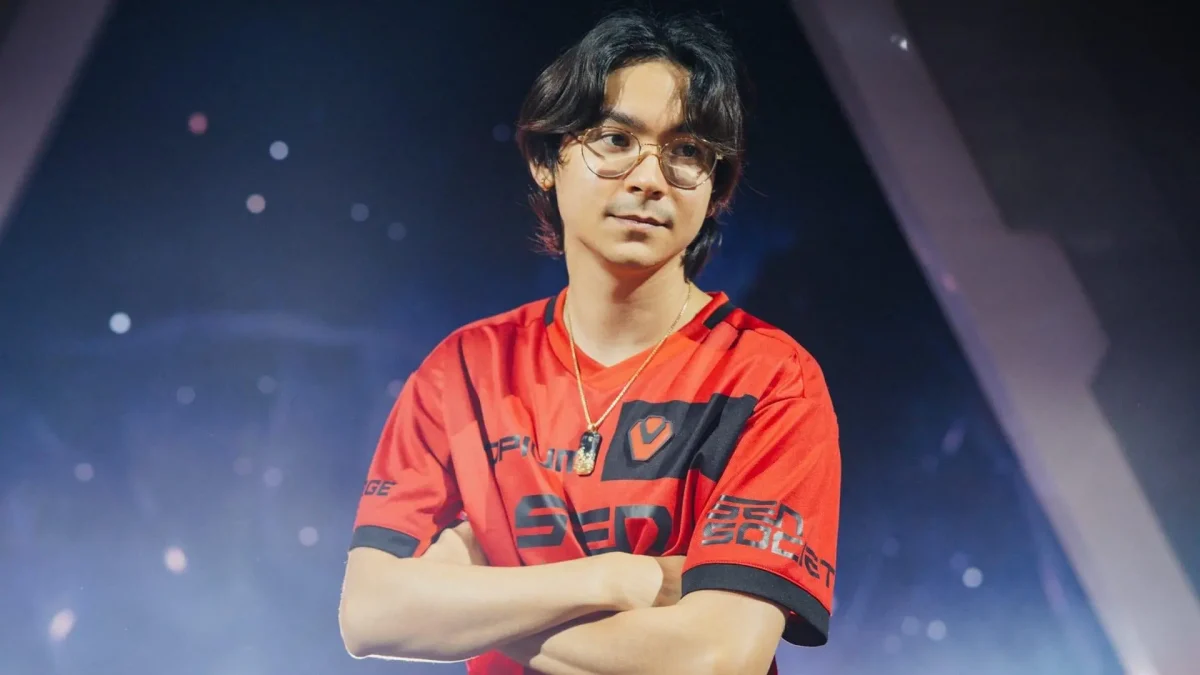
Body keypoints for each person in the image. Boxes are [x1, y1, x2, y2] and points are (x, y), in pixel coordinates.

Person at [338, 9, 841, 675]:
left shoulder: (771, 379)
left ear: (715, 188)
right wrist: (611, 579)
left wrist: (473, 602)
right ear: (547, 160)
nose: (649, 178)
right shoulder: (463, 372)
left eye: (687, 152)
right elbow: (370, 613)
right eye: (615, 140)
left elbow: (715, 659)